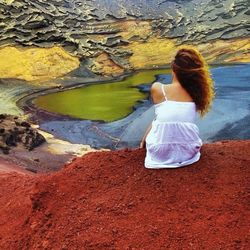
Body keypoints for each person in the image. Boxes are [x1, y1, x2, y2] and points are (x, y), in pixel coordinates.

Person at [140, 47, 214, 169]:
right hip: (189, 152)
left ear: (173, 68)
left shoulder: (158, 88)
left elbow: (160, 118)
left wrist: (144, 141)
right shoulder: (196, 93)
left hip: (159, 154)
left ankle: (143, 142)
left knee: (158, 120)